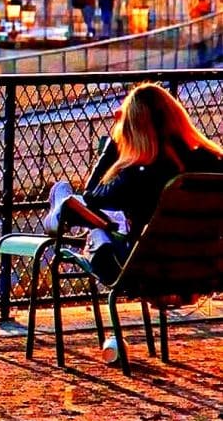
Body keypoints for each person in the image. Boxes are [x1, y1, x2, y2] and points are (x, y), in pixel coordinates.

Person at [43, 82, 223, 284]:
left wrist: (114, 141)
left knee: (96, 225)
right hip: (204, 267)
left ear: (133, 128)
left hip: (142, 271)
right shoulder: (213, 162)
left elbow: (91, 196)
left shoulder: (137, 174)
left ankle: (62, 208)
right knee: (105, 218)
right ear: (177, 117)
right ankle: (63, 206)